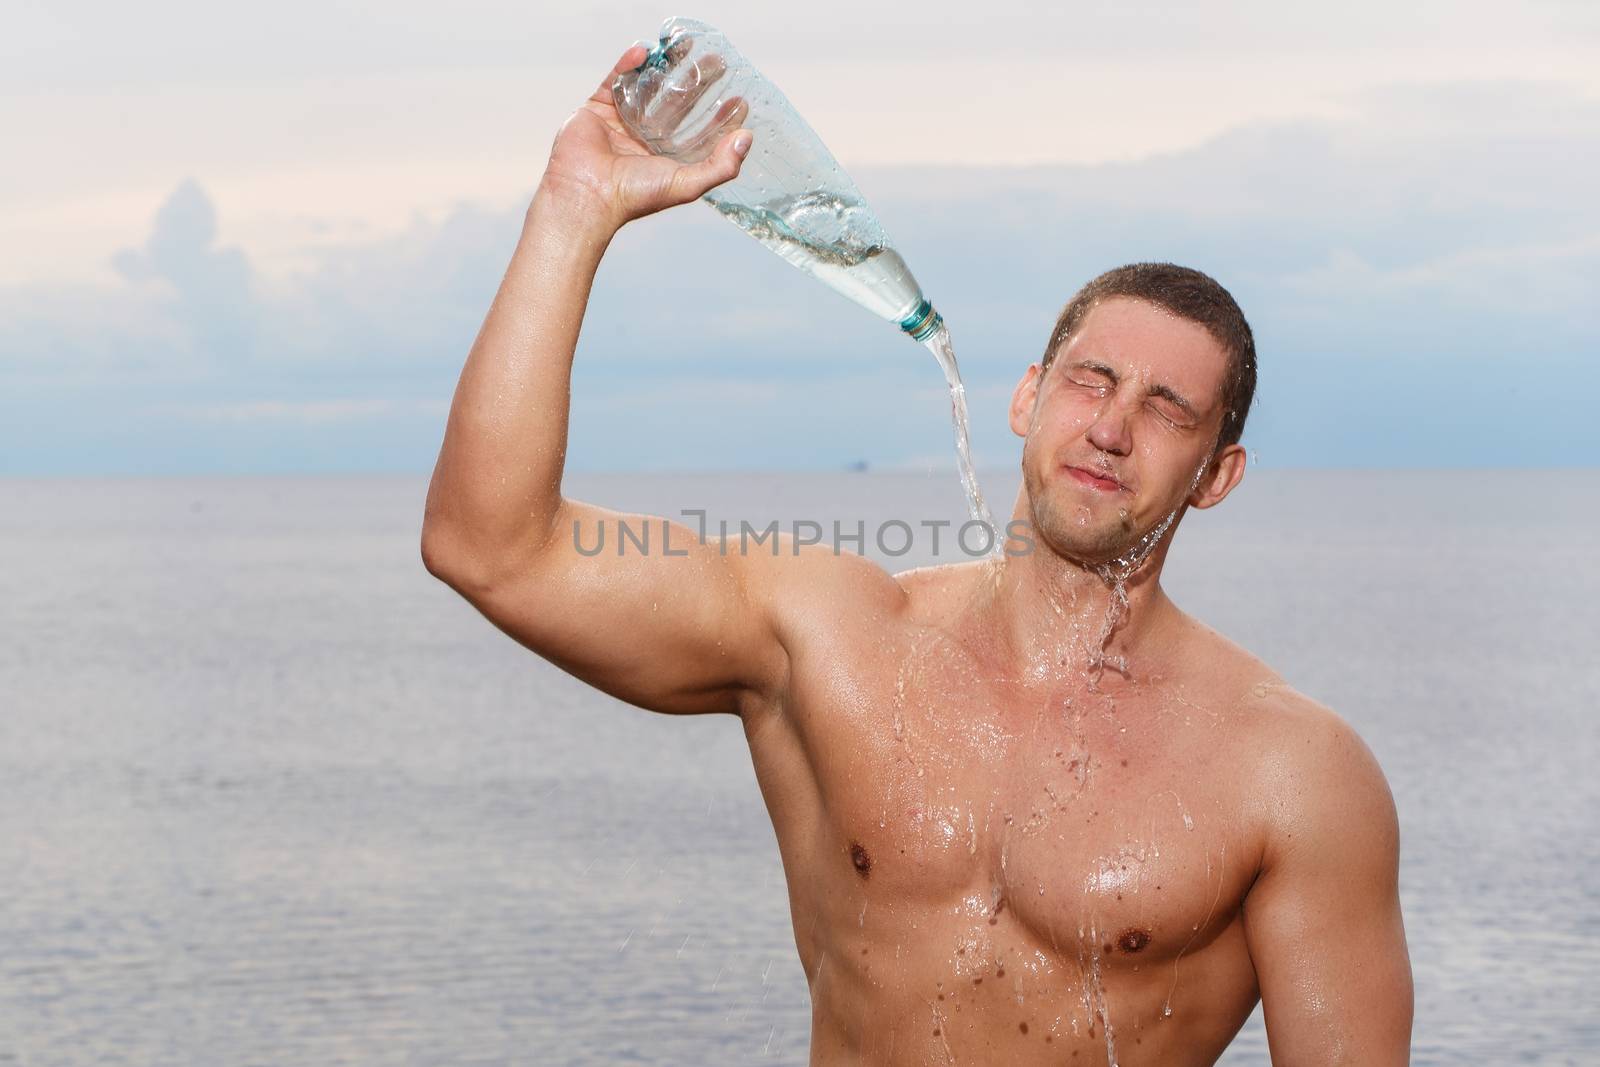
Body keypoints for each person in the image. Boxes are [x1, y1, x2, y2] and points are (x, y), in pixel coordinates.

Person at [420, 43, 1413, 1066]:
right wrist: (572, 209)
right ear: (1026, 398)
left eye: (1166, 409)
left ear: (1217, 473)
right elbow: (488, 545)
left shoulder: (1291, 771)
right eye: (1091, 380)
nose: (1112, 427)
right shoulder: (830, 635)